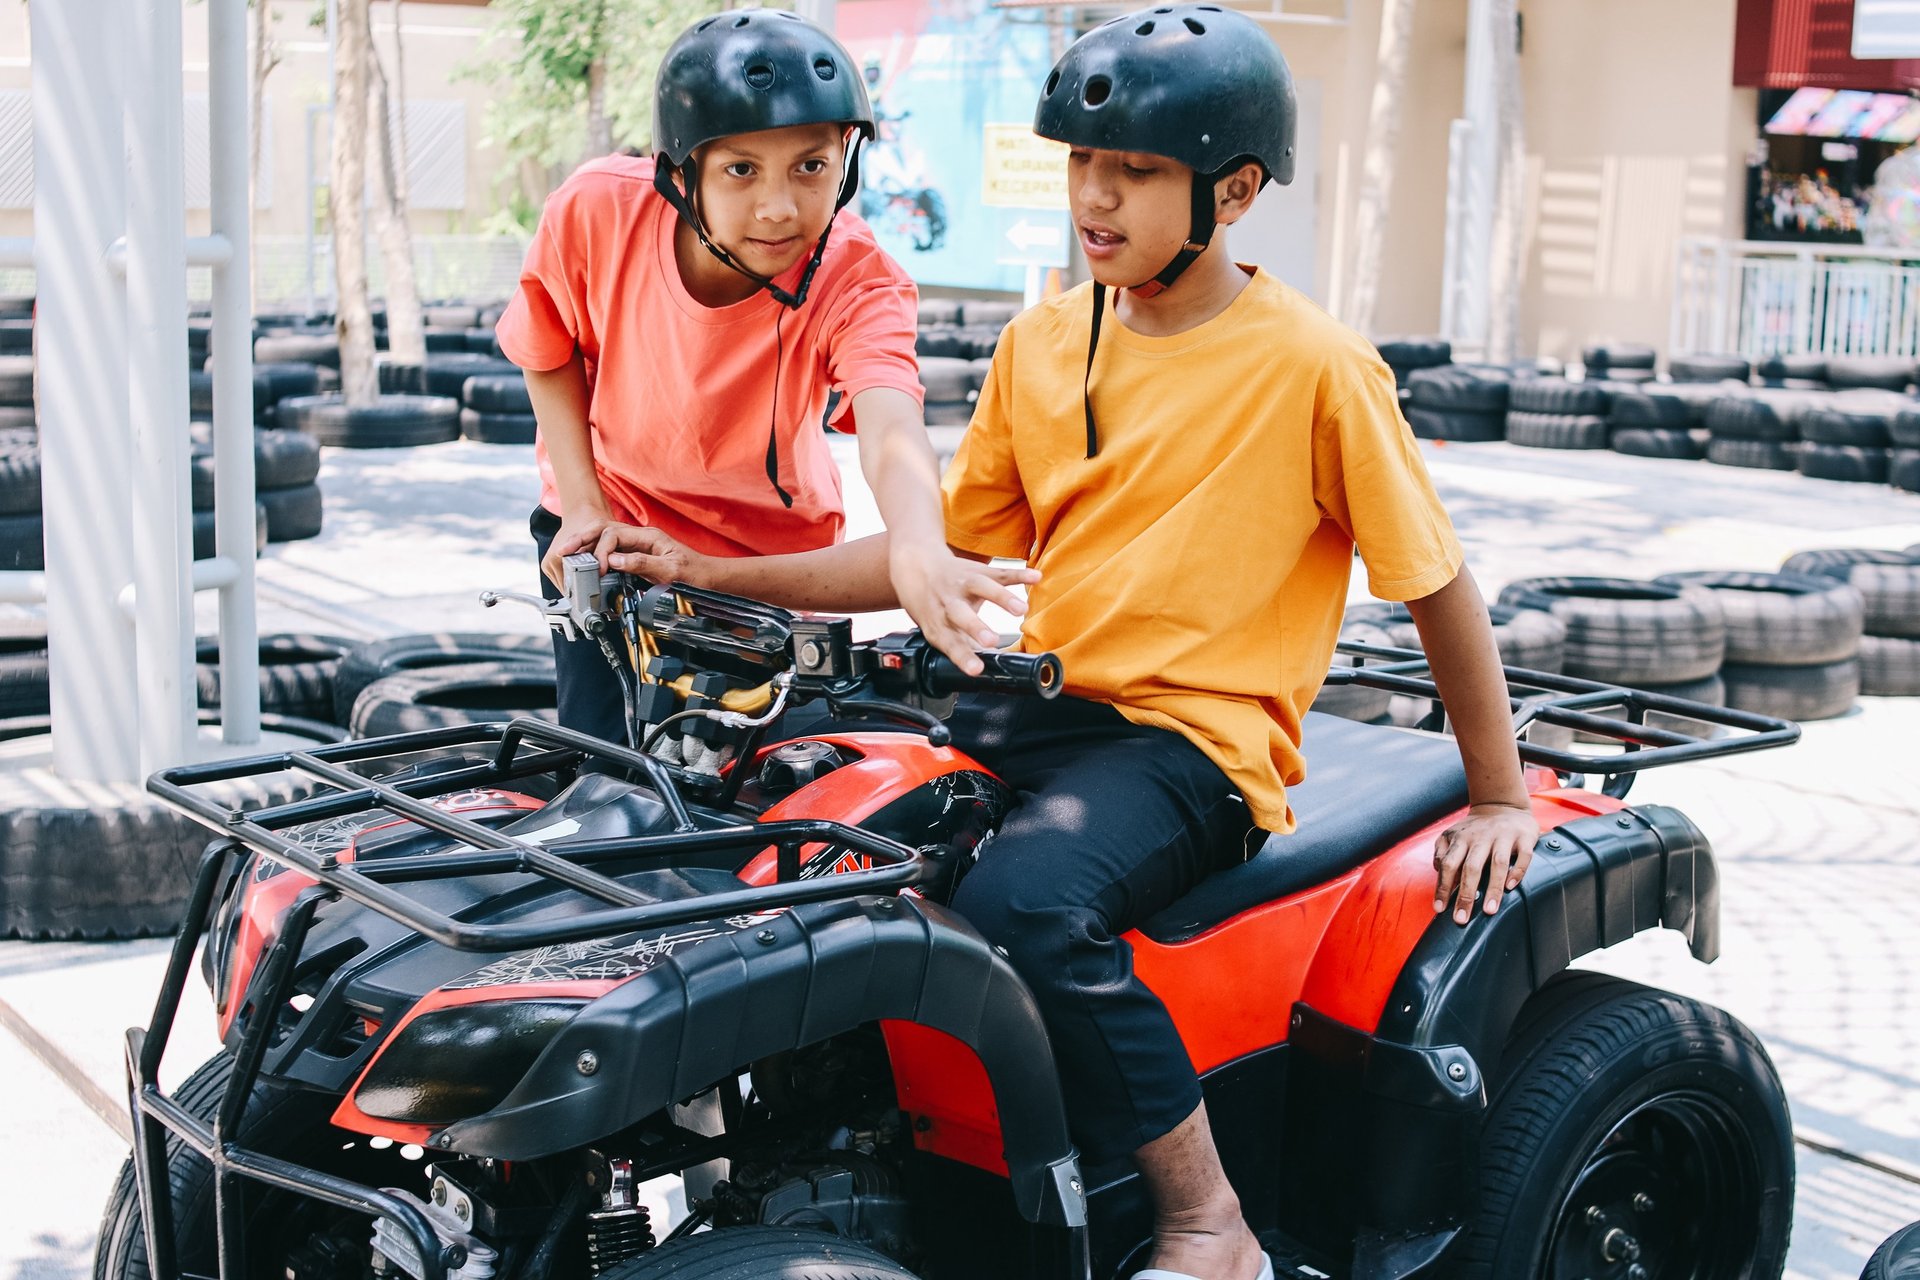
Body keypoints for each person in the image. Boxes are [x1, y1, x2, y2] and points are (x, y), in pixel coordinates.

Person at [598, 8, 1539, 1277]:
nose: (1095, 198)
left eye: (1138, 172)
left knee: (1026, 903)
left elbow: (1436, 584)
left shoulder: (1319, 368)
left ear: (1236, 190)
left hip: (1192, 748)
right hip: (1036, 709)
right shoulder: (1046, 344)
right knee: (789, 836)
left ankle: (1211, 1224)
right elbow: (928, 558)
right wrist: (712, 568)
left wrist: (1500, 791)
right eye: (1081, 166)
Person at [495, 7, 1029, 752]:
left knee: (746, 794)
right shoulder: (595, 210)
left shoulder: (858, 276)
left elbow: (890, 422)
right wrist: (583, 505)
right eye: (741, 169)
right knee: (606, 775)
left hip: (765, 568)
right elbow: (545, 345)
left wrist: (915, 543)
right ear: (682, 173)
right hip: (604, 536)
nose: (780, 208)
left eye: (811, 166)